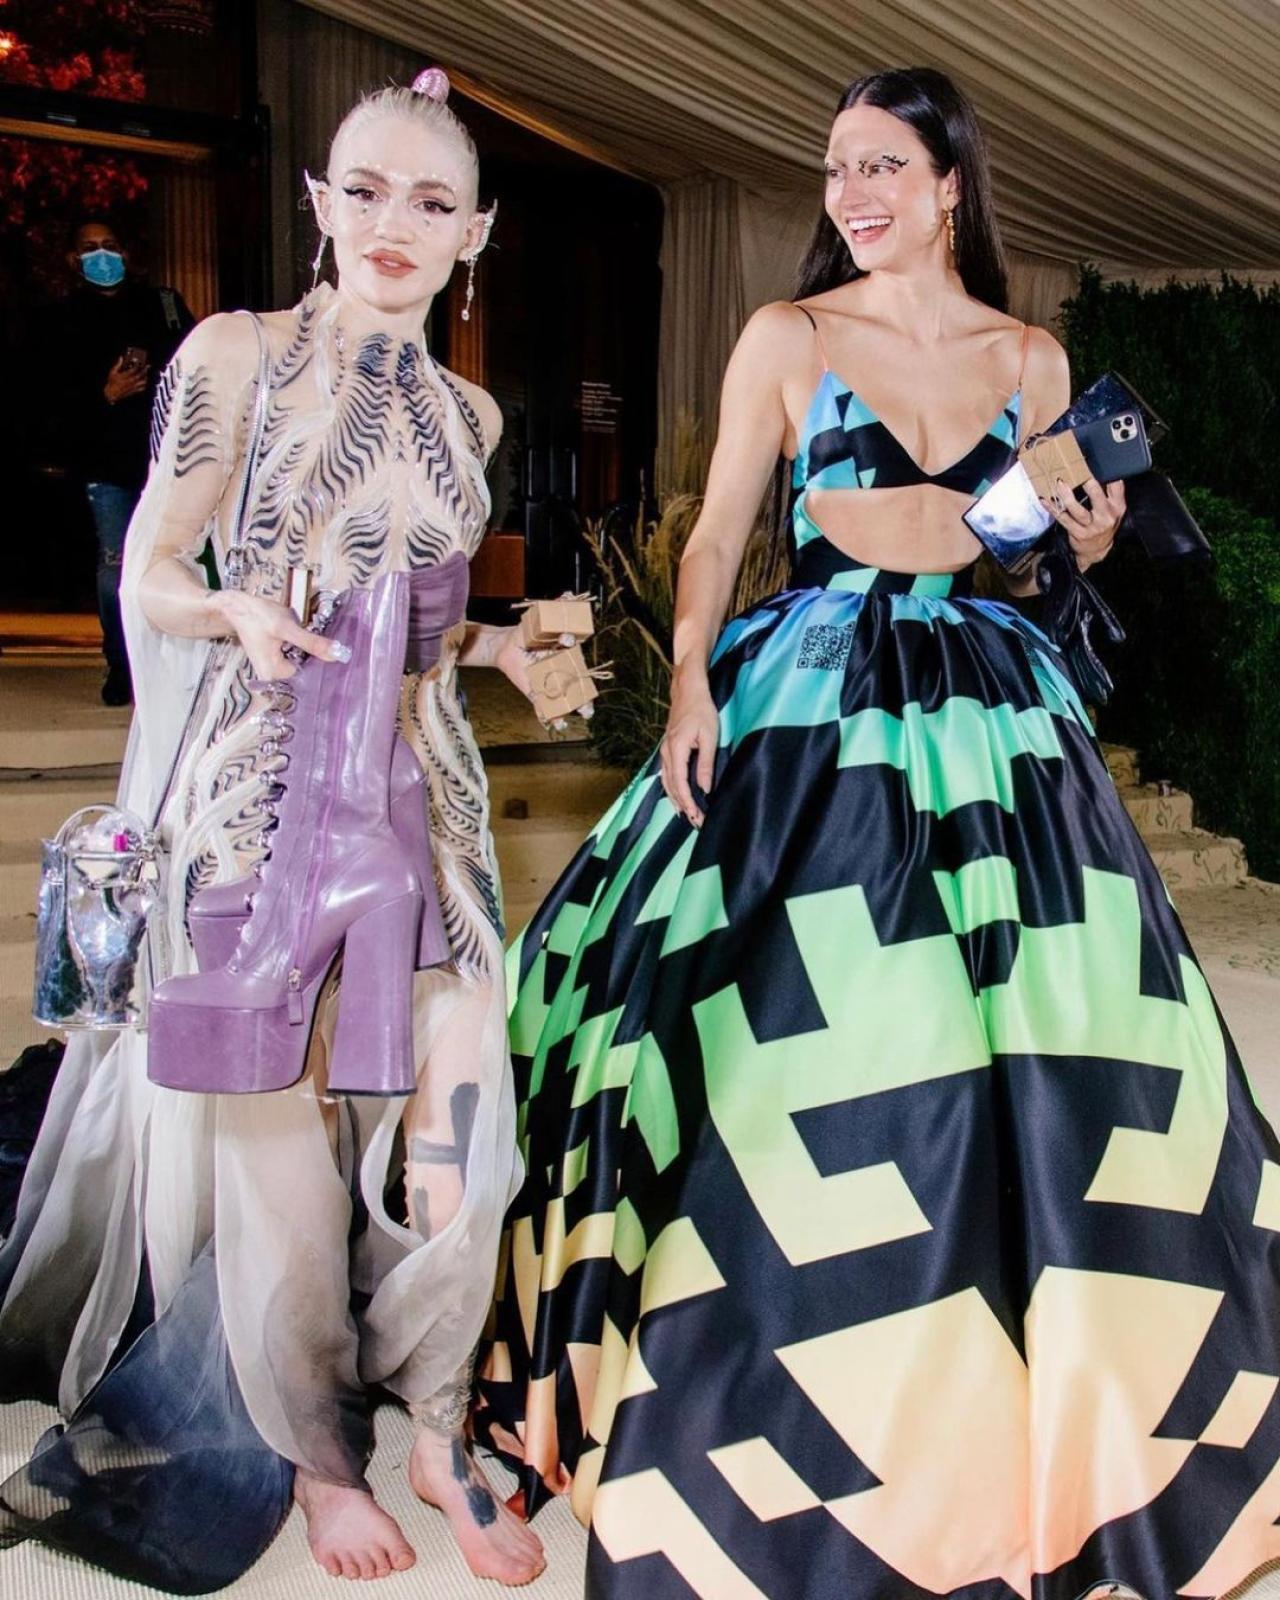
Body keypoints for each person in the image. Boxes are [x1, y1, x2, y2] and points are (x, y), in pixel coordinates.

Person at [477, 67, 1280, 1599]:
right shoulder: (789, 336)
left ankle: (1042, 1426)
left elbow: (1030, 558)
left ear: (950, 182)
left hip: (983, 700)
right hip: (812, 693)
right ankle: (746, 1400)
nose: (851, 193)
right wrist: (692, 677)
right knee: (766, 1028)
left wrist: (1088, 538)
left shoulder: (1031, 358)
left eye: (883, 166)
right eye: (837, 167)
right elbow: (719, 532)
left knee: (1062, 1033)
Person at [0, 73, 546, 1590]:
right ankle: (315, 1449)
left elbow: (418, 624)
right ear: (318, 203)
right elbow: (151, 570)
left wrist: (502, 646)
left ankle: (435, 1412)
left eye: (431, 201)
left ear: (475, 233)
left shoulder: (473, 413)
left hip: (421, 793)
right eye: (363, 190)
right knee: (280, 1110)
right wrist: (231, 610)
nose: (393, 224)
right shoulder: (234, 353)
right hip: (254, 781)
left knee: (460, 1081)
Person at [45, 217, 194, 704]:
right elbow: (50, 397)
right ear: (74, 259)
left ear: (126, 252)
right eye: (90, 247)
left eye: (109, 245)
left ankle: (168, 661)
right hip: (104, 464)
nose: (102, 256)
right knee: (116, 563)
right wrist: (105, 395)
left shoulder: (162, 305)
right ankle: (121, 663)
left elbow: (198, 365)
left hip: (167, 460)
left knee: (172, 560)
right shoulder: (63, 319)